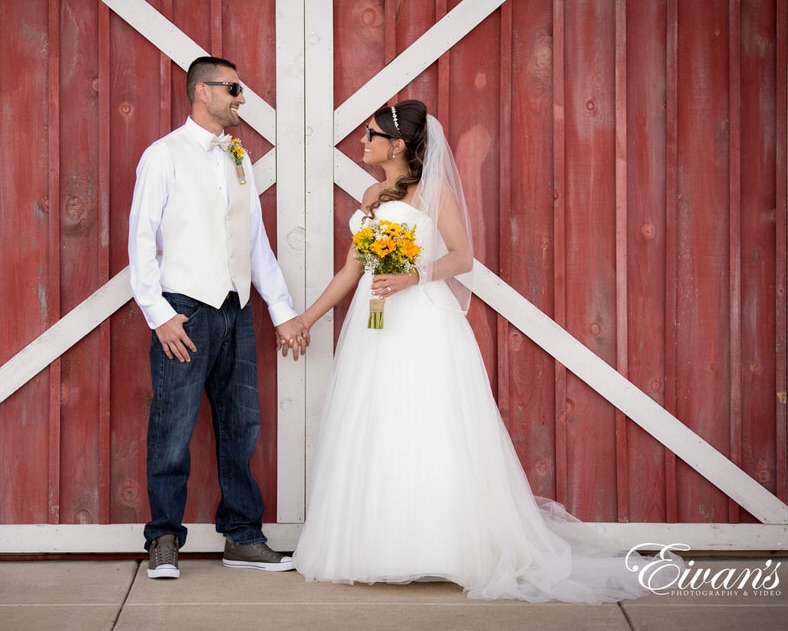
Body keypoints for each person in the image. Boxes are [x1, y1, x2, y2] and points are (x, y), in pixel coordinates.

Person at [292, 100, 650, 603]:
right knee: (375, 423)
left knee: (431, 424)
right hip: (374, 326)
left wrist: (412, 276)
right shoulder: (373, 193)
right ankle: (377, 547)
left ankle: (446, 547)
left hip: (421, 320)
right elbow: (354, 269)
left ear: (398, 145)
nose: (362, 142)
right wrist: (304, 319)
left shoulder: (434, 192)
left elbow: (463, 258)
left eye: (371, 135)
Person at [128, 56, 309, 579]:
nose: (241, 98)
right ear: (202, 92)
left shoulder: (238, 158)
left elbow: (254, 243)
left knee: (242, 426)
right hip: (182, 311)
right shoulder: (162, 156)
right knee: (172, 426)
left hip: (235, 309)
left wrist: (280, 310)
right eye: (233, 88)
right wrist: (158, 314)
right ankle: (163, 539)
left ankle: (243, 537)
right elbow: (142, 239)